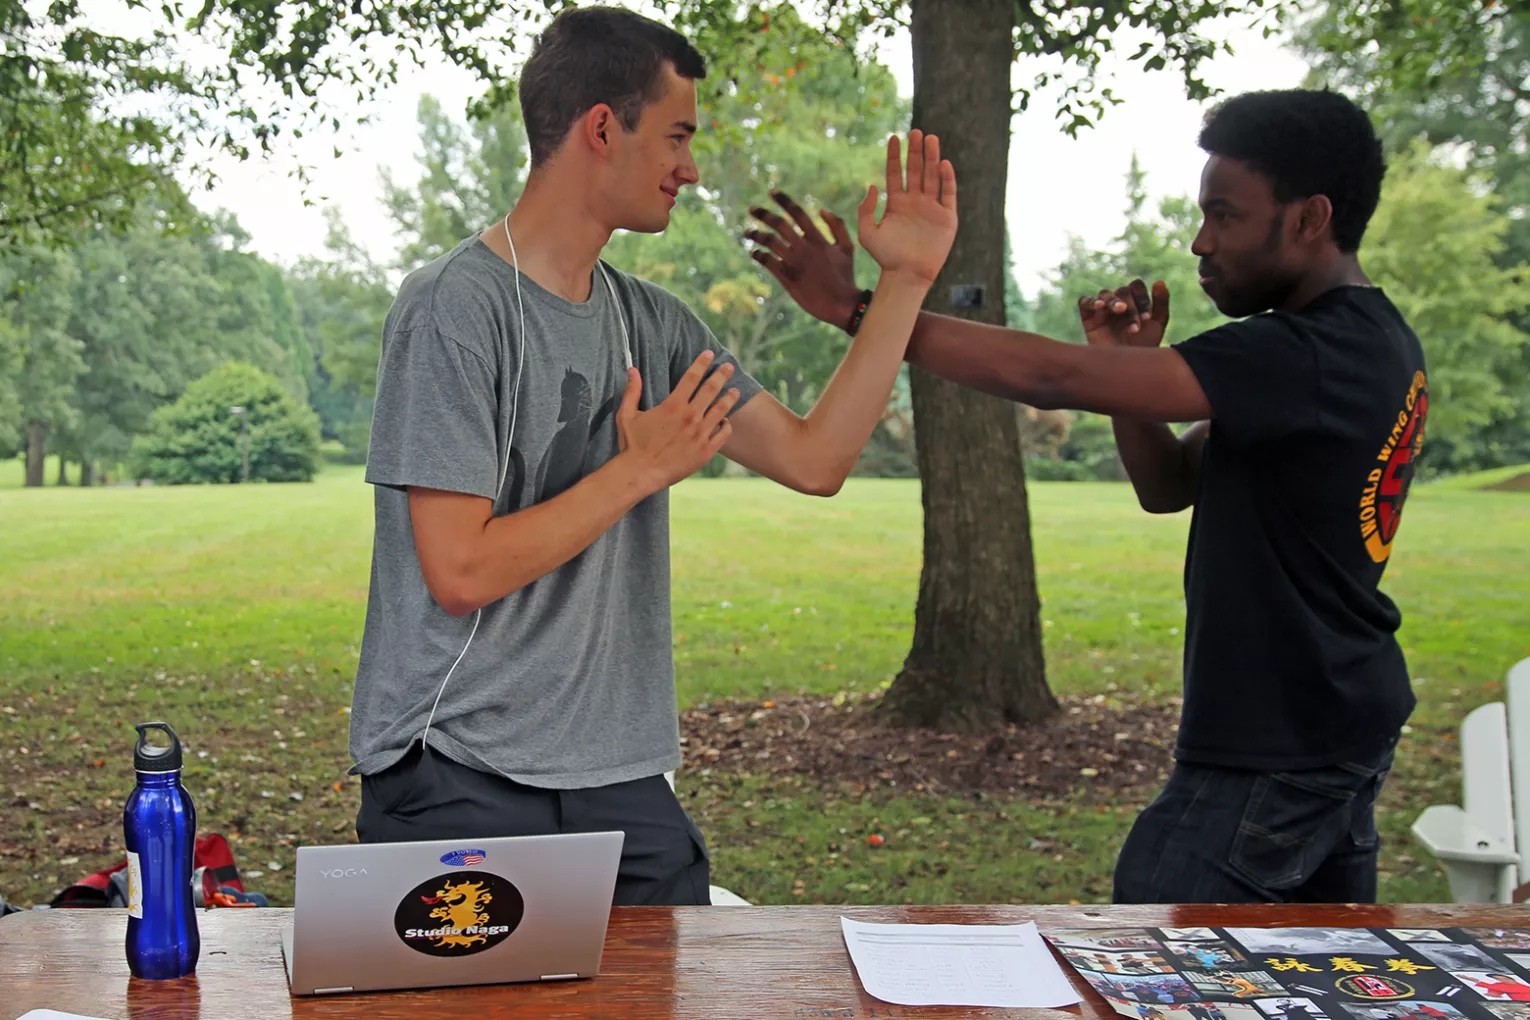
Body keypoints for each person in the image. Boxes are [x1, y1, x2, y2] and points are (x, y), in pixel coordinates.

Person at [746, 88, 1423, 904]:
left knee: (1157, 944)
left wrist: (862, 310)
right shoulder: (1369, 344)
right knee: (1308, 972)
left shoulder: (1304, 353)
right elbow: (1170, 486)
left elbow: (1050, 375)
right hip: (1338, 720)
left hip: (1278, 740)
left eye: (1226, 216)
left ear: (1311, 219)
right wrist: (1132, 368)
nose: (1201, 241)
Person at [348, 5, 957, 906]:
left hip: (617, 778)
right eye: (676, 135)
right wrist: (637, 469)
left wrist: (904, 283)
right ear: (603, 127)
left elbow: (816, 458)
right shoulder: (454, 308)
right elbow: (459, 569)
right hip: (458, 768)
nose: (691, 166)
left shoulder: (652, 324)